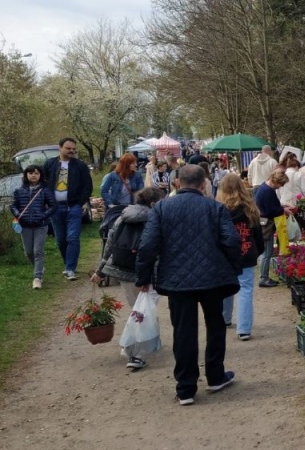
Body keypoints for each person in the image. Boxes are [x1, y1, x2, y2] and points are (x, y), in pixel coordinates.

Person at [135, 164, 241, 406]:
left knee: (183, 332)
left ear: (177, 183)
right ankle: (215, 376)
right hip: (212, 278)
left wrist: (143, 277)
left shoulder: (162, 208)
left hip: (176, 280)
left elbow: (148, 245)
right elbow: (231, 240)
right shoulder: (215, 207)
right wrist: (232, 268)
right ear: (203, 183)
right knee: (215, 326)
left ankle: (185, 388)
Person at [91, 187, 165, 370]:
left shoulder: (122, 216)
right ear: (154, 203)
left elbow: (109, 244)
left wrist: (100, 271)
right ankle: (134, 352)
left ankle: (150, 341)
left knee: (138, 310)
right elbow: (154, 250)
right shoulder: (155, 219)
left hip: (123, 270)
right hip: (147, 274)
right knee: (142, 313)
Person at [217, 173, 264, 340]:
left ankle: (225, 318)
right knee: (245, 290)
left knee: (226, 288)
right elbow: (258, 233)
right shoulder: (250, 208)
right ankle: (244, 328)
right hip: (246, 252)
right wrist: (258, 251)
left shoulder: (218, 209)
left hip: (225, 254)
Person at [42, 137, 93, 281]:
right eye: (68, 148)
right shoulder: (50, 164)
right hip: (55, 208)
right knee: (60, 240)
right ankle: (68, 263)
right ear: (60, 148)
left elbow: (87, 186)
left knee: (72, 237)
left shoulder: (80, 166)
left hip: (73, 207)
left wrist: (80, 202)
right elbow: (43, 184)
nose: (71, 151)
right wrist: (46, 201)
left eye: (73, 149)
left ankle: (70, 268)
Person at [9, 165, 57, 289]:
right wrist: (19, 214)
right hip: (24, 225)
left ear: (40, 175)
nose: (33, 175)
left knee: (38, 251)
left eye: (36, 173)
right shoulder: (18, 191)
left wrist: (43, 216)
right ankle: (39, 267)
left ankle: (37, 277)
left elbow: (53, 206)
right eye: (30, 173)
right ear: (26, 175)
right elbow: (13, 206)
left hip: (41, 225)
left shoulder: (45, 190)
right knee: (28, 252)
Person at [254, 170, 289, 288]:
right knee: (267, 252)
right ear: (276, 181)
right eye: (281, 184)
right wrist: (283, 210)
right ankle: (263, 278)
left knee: (265, 252)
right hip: (266, 224)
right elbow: (271, 211)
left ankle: (264, 276)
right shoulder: (268, 191)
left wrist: (280, 207)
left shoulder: (263, 187)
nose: (281, 187)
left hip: (262, 222)